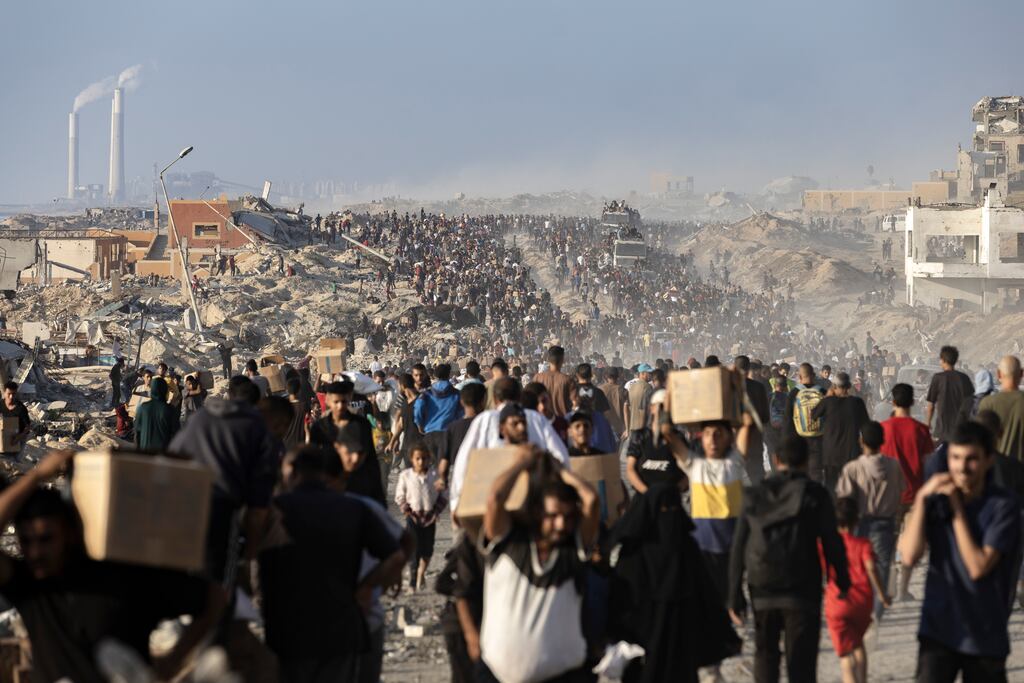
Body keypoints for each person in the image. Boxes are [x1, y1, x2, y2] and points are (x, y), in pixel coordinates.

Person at [0, 450, 225, 683]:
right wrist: (37, 476)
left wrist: (172, 662)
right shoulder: (30, 588)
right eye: (27, 542)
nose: (36, 552)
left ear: (70, 534)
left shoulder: (124, 577)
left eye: (47, 539)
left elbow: (215, 598)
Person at [258, 445, 404, 683]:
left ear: (292, 472)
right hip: (341, 629)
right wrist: (366, 588)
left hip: (289, 629)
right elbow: (396, 556)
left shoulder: (276, 510)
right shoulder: (354, 508)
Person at [897, 421, 1022, 681]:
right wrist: (921, 500)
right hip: (938, 628)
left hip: (984, 633)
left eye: (971, 459)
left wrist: (956, 510)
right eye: (955, 457)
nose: (961, 468)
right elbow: (909, 555)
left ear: (989, 460)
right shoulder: (937, 498)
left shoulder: (1003, 507)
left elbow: (977, 567)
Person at [728, 436, 850, 683]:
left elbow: (738, 545)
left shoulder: (753, 494)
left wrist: (734, 593)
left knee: (765, 655)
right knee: (802, 661)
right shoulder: (816, 494)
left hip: (762, 585)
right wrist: (843, 580)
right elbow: (831, 542)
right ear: (806, 461)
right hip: (802, 586)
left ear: (775, 460)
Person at [477, 447, 600, 683]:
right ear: (537, 513)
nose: (561, 524)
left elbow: (591, 499)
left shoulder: (571, 551)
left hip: (563, 676)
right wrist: (522, 464)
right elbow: (495, 499)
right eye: (553, 516)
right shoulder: (509, 544)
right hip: (496, 674)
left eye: (567, 517)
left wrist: (560, 470)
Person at [609, 483, 741, 683]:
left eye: (673, 510)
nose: (669, 517)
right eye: (664, 510)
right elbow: (621, 600)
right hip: (644, 648)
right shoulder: (634, 555)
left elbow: (706, 595)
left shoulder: (686, 548)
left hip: (681, 644)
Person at [169, 377, 277, 583]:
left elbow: (173, 456)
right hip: (219, 511)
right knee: (215, 583)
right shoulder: (258, 429)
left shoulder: (200, 417)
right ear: (258, 402)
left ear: (229, 395)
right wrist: (250, 558)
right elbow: (258, 507)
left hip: (178, 505)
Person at [659, 384, 753, 603]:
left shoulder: (735, 463)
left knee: (731, 602)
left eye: (719, 434)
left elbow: (747, 423)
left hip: (733, 547)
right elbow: (666, 432)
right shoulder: (694, 466)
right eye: (708, 434)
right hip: (702, 545)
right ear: (701, 439)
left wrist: (737, 386)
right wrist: (670, 398)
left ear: (729, 438)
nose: (713, 439)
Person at [449, 378, 569, 512]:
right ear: (519, 397)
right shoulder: (536, 419)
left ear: (494, 399)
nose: (521, 428)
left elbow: (464, 462)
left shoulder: (485, 420)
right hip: (530, 504)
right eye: (515, 424)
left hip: (494, 503)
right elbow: (561, 458)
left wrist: (457, 502)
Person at [836, 421, 904, 621]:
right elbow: (900, 491)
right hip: (886, 523)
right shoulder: (893, 466)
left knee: (857, 566)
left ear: (861, 441)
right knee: (882, 566)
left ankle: (860, 605)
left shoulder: (853, 468)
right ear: (882, 441)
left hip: (860, 522)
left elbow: (844, 498)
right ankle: (876, 610)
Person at [824, 498, 890, 683]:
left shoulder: (827, 544)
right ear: (856, 520)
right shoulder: (863, 544)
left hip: (838, 601)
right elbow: (871, 568)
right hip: (862, 601)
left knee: (846, 656)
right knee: (858, 644)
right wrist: (883, 595)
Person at [880, 383, 934, 601]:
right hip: (914, 494)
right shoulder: (921, 430)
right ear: (913, 402)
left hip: (889, 496)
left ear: (893, 402)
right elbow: (928, 462)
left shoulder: (883, 429)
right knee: (912, 544)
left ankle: (889, 586)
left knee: (889, 541)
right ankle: (903, 589)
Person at [309, 380, 386, 506]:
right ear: (328, 401)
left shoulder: (361, 425)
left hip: (358, 485)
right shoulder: (319, 428)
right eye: (336, 402)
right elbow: (313, 459)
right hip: (330, 486)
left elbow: (371, 459)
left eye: (343, 401)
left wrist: (379, 497)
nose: (340, 406)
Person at [395, 442, 446, 591]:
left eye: (424, 458)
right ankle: (412, 581)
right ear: (412, 459)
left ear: (429, 459)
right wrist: (406, 510)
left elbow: (444, 494)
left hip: (430, 518)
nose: (421, 462)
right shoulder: (405, 476)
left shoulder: (434, 475)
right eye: (418, 458)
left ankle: (421, 573)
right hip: (413, 517)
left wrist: (437, 511)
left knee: (427, 550)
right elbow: (399, 495)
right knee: (414, 551)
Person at [811, 372, 869, 492]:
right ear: (849, 387)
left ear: (834, 387)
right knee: (853, 488)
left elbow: (814, 414)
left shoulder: (827, 402)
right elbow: (866, 427)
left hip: (831, 455)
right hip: (852, 452)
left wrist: (827, 395)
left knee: (831, 487)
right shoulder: (857, 403)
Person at [625, 390, 683, 495]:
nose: (664, 410)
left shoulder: (678, 438)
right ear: (651, 408)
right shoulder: (640, 436)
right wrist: (647, 493)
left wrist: (673, 492)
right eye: (661, 406)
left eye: (668, 407)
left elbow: (688, 470)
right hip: (644, 498)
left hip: (670, 501)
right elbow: (630, 469)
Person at [784, 363, 826, 483]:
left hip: (799, 438)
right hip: (819, 438)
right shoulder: (822, 391)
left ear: (799, 376)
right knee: (816, 471)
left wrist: (787, 443)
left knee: (800, 471)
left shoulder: (793, 394)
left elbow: (787, 420)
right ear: (813, 375)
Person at [413, 363, 463, 465]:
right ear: (449, 375)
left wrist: (419, 425)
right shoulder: (456, 394)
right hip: (448, 436)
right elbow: (461, 414)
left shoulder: (427, 393)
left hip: (430, 434)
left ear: (435, 376)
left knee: (429, 468)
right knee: (445, 467)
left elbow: (418, 408)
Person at [979, 355, 1024, 462]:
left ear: (999, 374)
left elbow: (981, 441)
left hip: (996, 470)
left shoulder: (987, 403)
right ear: (1022, 373)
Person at [925, 345, 974, 444]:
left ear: (943, 360)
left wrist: (928, 423)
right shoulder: (964, 378)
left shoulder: (938, 378)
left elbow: (931, 405)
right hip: (961, 429)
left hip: (942, 429)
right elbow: (971, 403)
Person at [441, 383, 486, 487]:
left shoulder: (453, 428)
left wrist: (443, 480)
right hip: (482, 481)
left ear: (461, 402)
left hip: (459, 481)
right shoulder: (489, 425)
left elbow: (444, 465)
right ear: (484, 400)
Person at [736, 355, 770, 485]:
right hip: (755, 438)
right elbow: (766, 417)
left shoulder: (728, 387)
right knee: (757, 476)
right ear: (749, 368)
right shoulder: (758, 387)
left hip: (734, 440)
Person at [133, 377, 180, 452]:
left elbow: (137, 433)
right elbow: (176, 435)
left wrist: (138, 452)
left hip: (144, 453)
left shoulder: (143, 408)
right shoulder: (170, 410)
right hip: (162, 456)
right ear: (165, 391)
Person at [532, 345, 574, 418]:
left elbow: (531, 400)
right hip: (563, 423)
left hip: (543, 421)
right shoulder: (568, 380)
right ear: (562, 360)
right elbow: (575, 403)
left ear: (548, 359)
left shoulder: (537, 378)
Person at [623, 364, 654, 441]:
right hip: (643, 427)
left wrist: (627, 428)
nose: (651, 375)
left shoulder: (632, 387)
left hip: (632, 426)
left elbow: (626, 408)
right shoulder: (647, 387)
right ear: (642, 373)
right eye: (649, 373)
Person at [0, 382, 31, 455]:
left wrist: (17, 438)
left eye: (13, 394)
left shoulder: (20, 408)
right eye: (9, 394)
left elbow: (28, 427)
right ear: (4, 393)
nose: (11, 397)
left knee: (14, 461)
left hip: (19, 437)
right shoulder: (1, 404)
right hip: (6, 434)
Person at [598, 366, 627, 436]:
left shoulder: (599, 389)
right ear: (618, 376)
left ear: (606, 376)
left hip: (604, 426)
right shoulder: (623, 390)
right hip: (620, 428)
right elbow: (627, 410)